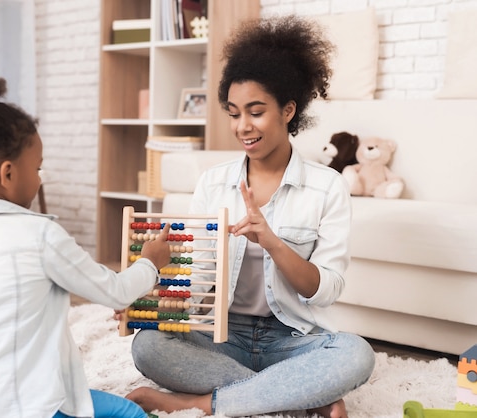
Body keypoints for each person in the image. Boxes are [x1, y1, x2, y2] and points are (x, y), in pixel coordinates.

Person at [120, 15, 376, 418]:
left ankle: (200, 403)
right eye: (234, 113)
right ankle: (297, 396)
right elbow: (198, 277)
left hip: (293, 338)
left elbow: (325, 290)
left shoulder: (327, 187)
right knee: (147, 344)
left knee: (356, 354)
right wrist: (145, 295)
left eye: (256, 112)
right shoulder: (214, 183)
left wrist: (273, 242)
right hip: (224, 336)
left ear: (289, 110)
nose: (243, 127)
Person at [0, 67, 171, 418]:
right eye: (37, 168)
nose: (40, 178)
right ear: (8, 173)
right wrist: (150, 262)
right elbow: (115, 291)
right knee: (130, 413)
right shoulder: (41, 236)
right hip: (28, 408)